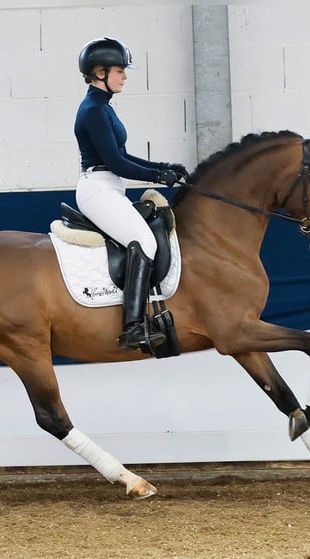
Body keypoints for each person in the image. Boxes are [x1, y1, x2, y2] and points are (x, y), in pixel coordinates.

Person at [74, 37, 188, 352]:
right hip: (98, 189)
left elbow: (124, 156)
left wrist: (166, 167)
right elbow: (116, 163)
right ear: (100, 73)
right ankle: (133, 328)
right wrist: (157, 175)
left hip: (109, 186)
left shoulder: (102, 107)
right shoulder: (94, 111)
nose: (125, 76)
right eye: (120, 71)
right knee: (146, 243)